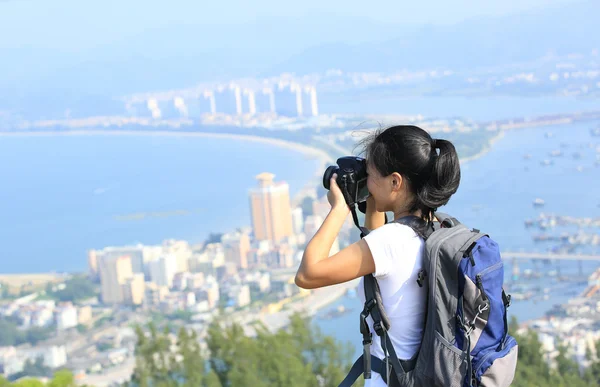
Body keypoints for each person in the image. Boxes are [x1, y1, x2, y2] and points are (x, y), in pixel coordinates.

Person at [295, 125, 461, 386]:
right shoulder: (439, 228)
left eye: (370, 174)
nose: (367, 181)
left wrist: (341, 208)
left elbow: (307, 275)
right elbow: (380, 250)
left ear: (395, 182)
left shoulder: (389, 242)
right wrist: (373, 197)